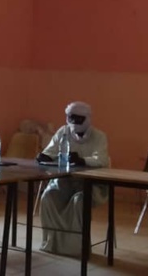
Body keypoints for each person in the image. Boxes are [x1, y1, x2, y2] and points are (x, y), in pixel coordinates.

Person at [35, 101, 110, 256]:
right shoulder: (63, 131)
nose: (74, 122)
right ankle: (53, 243)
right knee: (48, 197)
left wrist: (82, 160)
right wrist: (44, 156)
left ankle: (76, 248)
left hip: (90, 185)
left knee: (78, 201)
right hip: (65, 181)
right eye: (71, 118)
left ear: (87, 118)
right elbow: (50, 151)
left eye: (78, 118)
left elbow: (101, 159)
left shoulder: (99, 136)